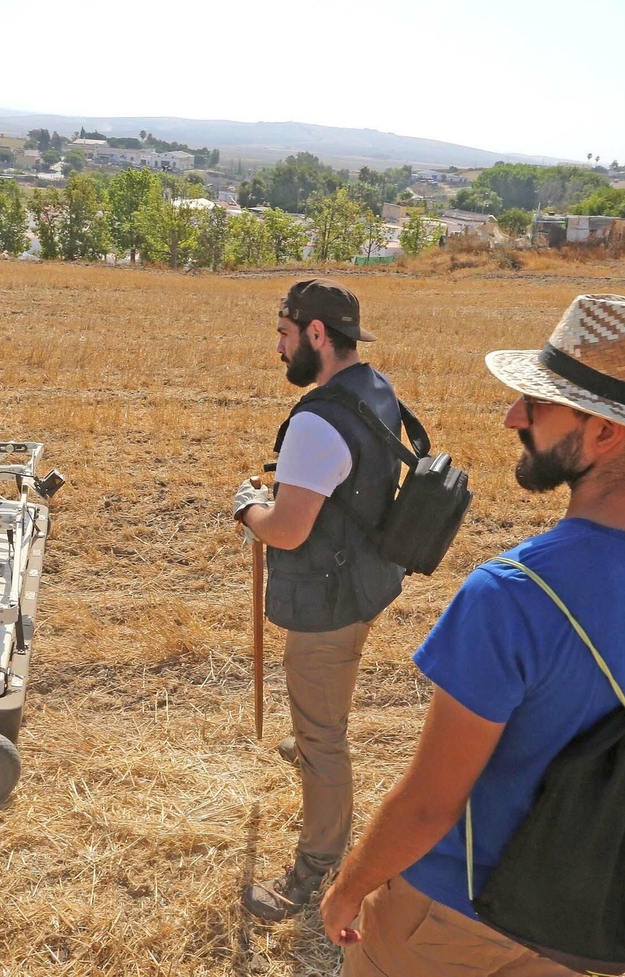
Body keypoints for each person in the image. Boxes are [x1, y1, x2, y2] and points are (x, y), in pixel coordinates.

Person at [318, 293, 625, 976]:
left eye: (539, 404)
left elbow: (430, 805)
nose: (512, 416)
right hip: (577, 930)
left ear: (607, 432)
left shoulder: (510, 593)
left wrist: (347, 887)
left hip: (445, 922)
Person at [232, 278, 412, 922]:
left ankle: (316, 864)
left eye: (285, 335)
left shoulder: (315, 420)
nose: (279, 350)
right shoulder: (375, 387)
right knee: (325, 708)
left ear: (316, 334)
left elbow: (286, 529)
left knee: (323, 734)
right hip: (364, 585)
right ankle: (316, 752)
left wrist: (248, 508)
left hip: (328, 602)